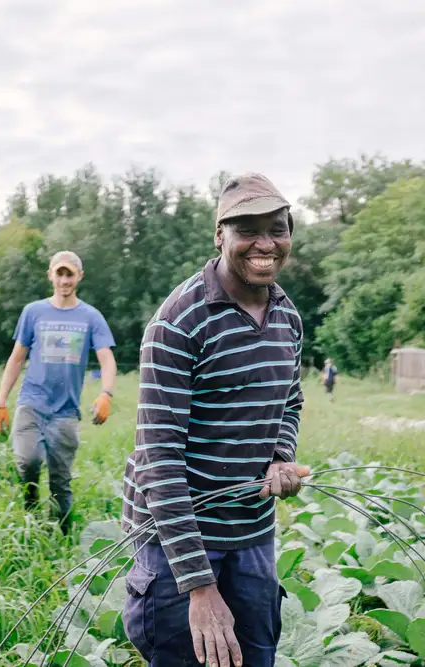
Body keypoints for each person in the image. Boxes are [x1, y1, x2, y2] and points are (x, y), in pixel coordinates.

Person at [121, 173, 309, 667]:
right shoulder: (179, 323)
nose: (266, 243)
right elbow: (157, 459)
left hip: (251, 530)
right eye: (248, 229)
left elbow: (288, 401)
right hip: (177, 536)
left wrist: (278, 458)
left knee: (255, 657)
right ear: (219, 235)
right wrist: (199, 587)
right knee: (183, 656)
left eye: (278, 228)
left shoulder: (287, 317)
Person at [0, 250, 117, 534]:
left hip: (65, 412)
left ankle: (61, 537)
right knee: (28, 461)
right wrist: (0, 400)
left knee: (61, 481)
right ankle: (30, 514)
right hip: (31, 403)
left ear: (79, 277)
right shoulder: (33, 312)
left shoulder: (91, 317)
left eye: (69, 274)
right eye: (59, 273)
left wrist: (106, 393)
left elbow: (107, 359)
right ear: (50, 274)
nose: (64, 280)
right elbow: (16, 358)